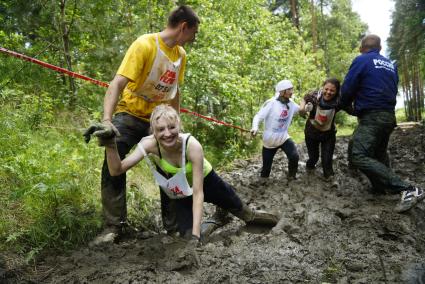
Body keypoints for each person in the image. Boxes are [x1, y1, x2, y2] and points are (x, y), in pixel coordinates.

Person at [86, 5, 200, 244]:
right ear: (184, 27)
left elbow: (175, 92)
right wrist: (107, 121)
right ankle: (113, 227)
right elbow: (117, 84)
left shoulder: (180, 55)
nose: (193, 38)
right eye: (194, 33)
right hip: (130, 113)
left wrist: (176, 123)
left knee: (169, 162)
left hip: (158, 119)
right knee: (112, 155)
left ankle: (173, 227)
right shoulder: (144, 44)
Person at [88, 105, 279, 243]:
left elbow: (198, 193)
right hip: (181, 192)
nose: (167, 133)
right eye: (161, 129)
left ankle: (279, 220)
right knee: (189, 238)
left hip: (208, 182)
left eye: (172, 127)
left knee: (248, 217)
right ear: (153, 131)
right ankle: (217, 219)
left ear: (179, 126)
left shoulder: (192, 145)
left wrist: (196, 233)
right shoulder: (148, 144)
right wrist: (111, 145)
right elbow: (116, 170)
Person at [340, 34, 424, 213]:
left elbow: (348, 88)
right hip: (388, 116)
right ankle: (380, 188)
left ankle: (408, 189)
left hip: (373, 116)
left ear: (362, 48)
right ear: (380, 48)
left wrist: (340, 104)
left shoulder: (362, 60)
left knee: (359, 155)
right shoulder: (390, 66)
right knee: (378, 154)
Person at [250, 79, 300, 185]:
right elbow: (258, 116)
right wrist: (255, 127)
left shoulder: (291, 103)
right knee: (266, 168)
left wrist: (308, 108)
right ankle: (263, 181)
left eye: (292, 89)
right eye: (289, 89)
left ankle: (292, 176)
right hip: (270, 140)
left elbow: (300, 110)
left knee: (294, 156)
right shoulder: (271, 103)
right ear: (282, 92)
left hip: (283, 137)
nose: (292, 91)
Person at [299, 78, 343, 186]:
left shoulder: (339, 101)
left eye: (332, 91)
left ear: (337, 91)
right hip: (311, 133)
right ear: (323, 88)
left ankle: (330, 177)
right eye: (326, 89)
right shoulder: (314, 96)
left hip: (328, 134)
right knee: (313, 158)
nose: (328, 92)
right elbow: (304, 98)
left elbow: (351, 109)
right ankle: (309, 167)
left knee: (327, 159)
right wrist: (301, 109)